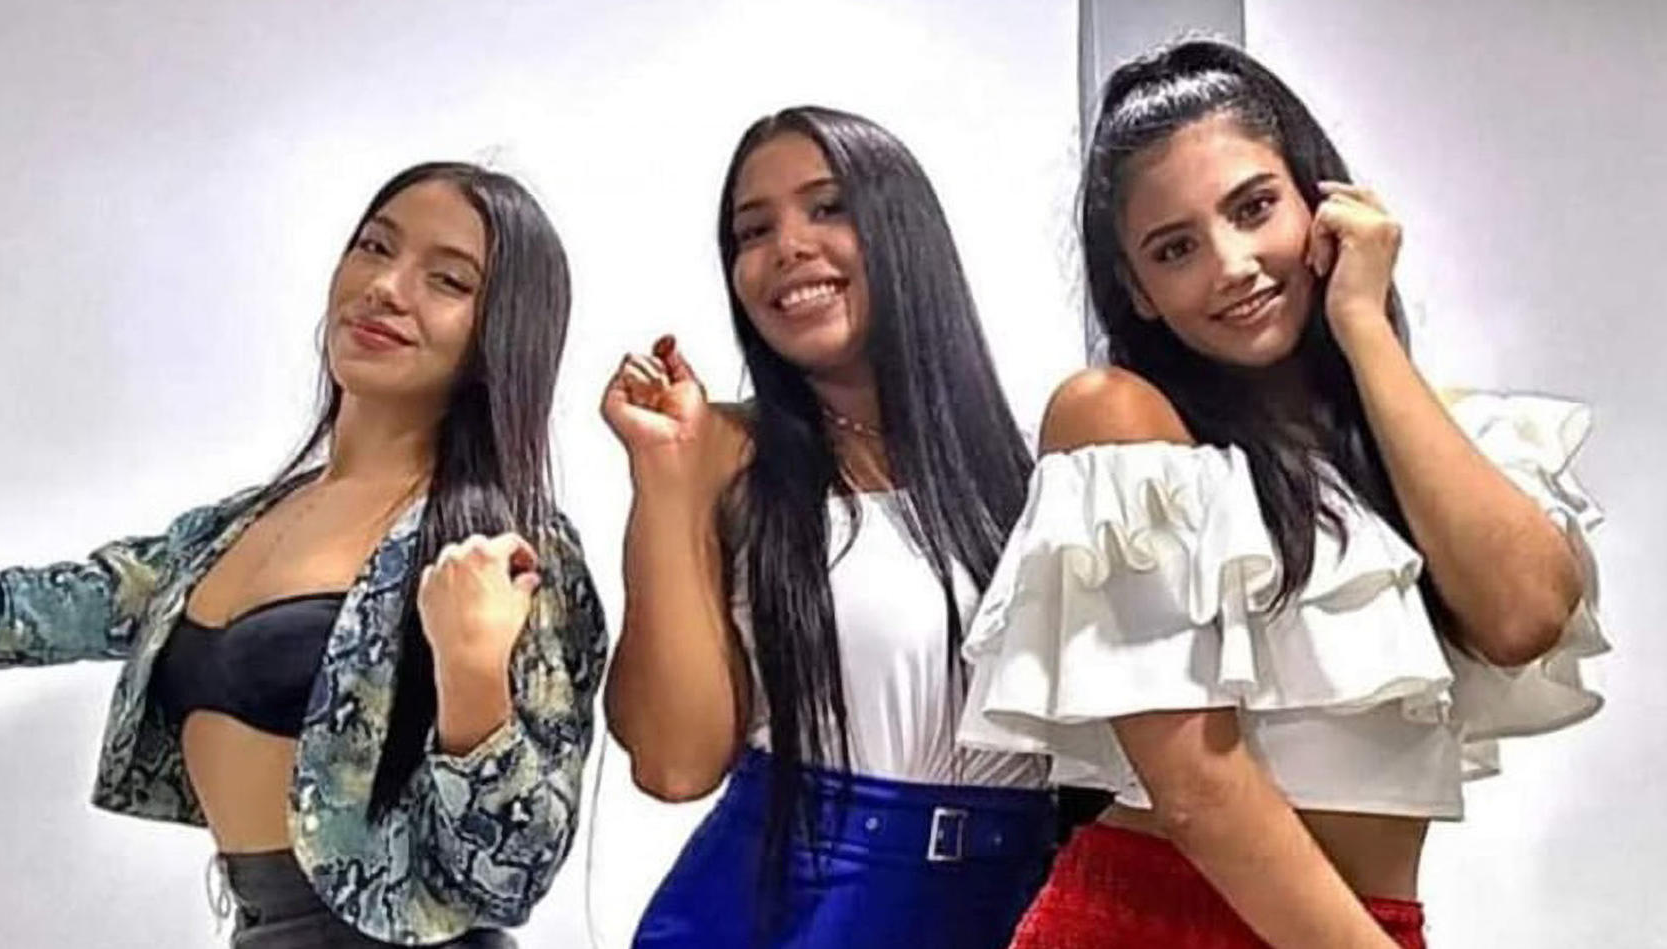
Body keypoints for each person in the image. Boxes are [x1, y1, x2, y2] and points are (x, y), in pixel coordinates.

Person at [958, 40, 1607, 948]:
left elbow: (1524, 615)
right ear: (1139, 292)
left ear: (1323, 203)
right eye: (1175, 248)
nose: (1230, 264)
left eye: (1254, 207)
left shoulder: (1429, 436)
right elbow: (1198, 789)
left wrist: (1363, 323)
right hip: (1153, 922)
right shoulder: (1120, 420)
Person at [0, 161, 607, 947]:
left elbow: (511, 875)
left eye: (448, 281)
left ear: (503, 332)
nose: (386, 287)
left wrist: (472, 673)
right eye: (375, 247)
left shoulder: (504, 549)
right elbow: (22, 613)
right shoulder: (226, 532)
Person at [601, 106, 1056, 948]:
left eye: (827, 206)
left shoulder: (1037, 467)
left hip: (1012, 898)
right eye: (753, 230)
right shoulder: (725, 455)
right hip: (784, 901)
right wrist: (664, 479)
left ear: (903, 228)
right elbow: (675, 763)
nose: (787, 247)